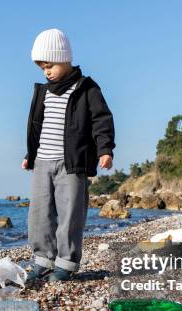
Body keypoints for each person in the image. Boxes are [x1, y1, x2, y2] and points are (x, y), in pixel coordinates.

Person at [22, 28, 115, 281]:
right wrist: (30, 155)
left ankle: (66, 263)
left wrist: (105, 149)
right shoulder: (43, 91)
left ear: (64, 58)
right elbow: (37, 126)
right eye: (42, 67)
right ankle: (43, 259)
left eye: (49, 65)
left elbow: (101, 120)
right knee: (39, 213)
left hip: (73, 163)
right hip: (43, 161)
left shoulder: (86, 88)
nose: (46, 71)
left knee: (70, 214)